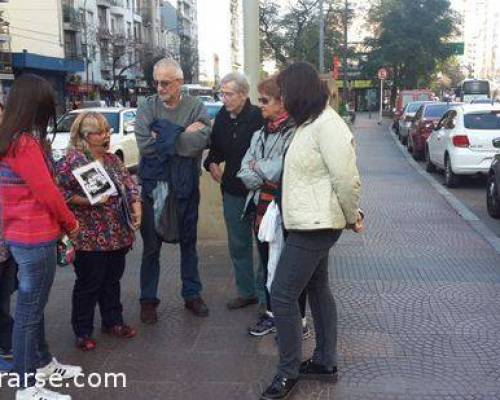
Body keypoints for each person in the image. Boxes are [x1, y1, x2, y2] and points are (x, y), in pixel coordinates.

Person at [260, 62, 364, 400]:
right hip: (305, 222)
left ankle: (287, 372)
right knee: (318, 289)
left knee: (283, 294)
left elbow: (346, 179)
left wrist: (351, 216)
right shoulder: (308, 123)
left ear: (299, 93)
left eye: (286, 92)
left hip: (316, 226)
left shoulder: (327, 126)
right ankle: (324, 362)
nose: (283, 98)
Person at [0, 74, 82, 400]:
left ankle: (44, 363)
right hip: (35, 238)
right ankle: (27, 387)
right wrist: (71, 223)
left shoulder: (9, 139)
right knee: (29, 314)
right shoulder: (25, 144)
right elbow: (48, 193)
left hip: (18, 236)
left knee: (32, 308)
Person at [56, 112, 142, 351]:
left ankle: (113, 321)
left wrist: (137, 208)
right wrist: (87, 202)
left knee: (112, 281)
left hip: (118, 233)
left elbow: (129, 185)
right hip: (89, 236)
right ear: (84, 136)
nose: (105, 136)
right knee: (89, 283)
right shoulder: (71, 162)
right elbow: (59, 195)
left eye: (107, 131)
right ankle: (82, 331)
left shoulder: (112, 160)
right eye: (99, 132)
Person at [136, 58, 211, 322]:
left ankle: (192, 294)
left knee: (189, 243)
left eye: (165, 83)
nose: (159, 87)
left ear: (179, 82)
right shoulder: (147, 106)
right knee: (151, 247)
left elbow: (200, 142)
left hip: (186, 185)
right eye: (156, 82)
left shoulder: (195, 105)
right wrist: (182, 133)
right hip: (154, 185)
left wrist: (164, 135)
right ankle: (148, 300)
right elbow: (145, 146)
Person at [237, 76, 310, 338]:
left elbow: (282, 169)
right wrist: (262, 172)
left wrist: (261, 168)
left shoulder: (297, 132)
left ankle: (297, 321)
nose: (260, 106)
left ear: (282, 102)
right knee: (267, 262)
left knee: (289, 269)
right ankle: (271, 315)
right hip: (260, 207)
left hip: (285, 209)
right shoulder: (259, 133)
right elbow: (244, 170)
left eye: (265, 100)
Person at [204, 72, 265, 311]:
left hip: (259, 191)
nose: (223, 98)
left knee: (263, 244)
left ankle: (264, 294)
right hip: (232, 190)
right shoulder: (222, 117)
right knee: (238, 244)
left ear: (243, 94)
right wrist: (211, 163)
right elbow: (216, 148)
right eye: (222, 93)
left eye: (228, 94)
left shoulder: (259, 117)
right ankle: (246, 291)